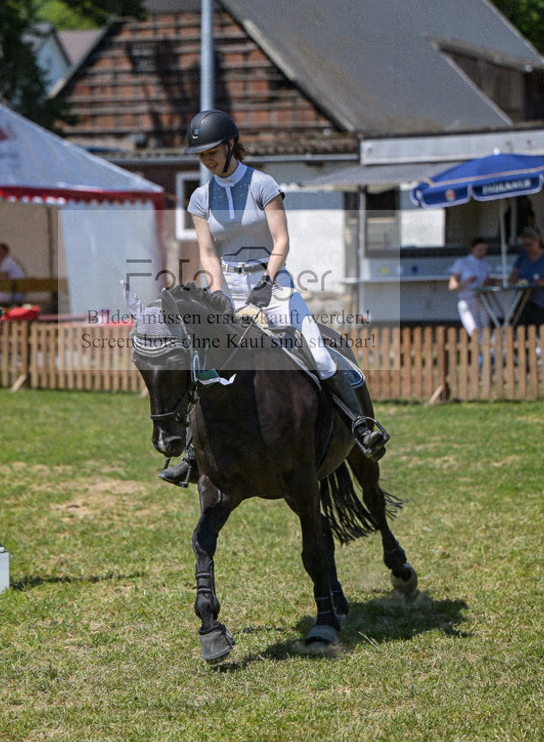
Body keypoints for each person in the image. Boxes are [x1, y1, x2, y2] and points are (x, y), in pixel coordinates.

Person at [159, 109, 388, 488]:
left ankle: (361, 426)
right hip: (227, 287)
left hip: (273, 281)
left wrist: (266, 282)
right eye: (201, 155)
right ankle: (191, 455)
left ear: (231, 145)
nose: (207, 160)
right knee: (202, 361)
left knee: (315, 348)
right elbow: (208, 252)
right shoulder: (200, 198)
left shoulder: (263, 184)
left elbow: (281, 240)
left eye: (212, 151)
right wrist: (218, 294)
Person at [508, 227, 544, 328]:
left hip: (541, 303)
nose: (527, 248)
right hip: (522, 302)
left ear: (537, 241)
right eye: (524, 246)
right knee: (522, 332)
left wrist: (541, 283)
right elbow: (513, 276)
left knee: (542, 333)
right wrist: (515, 280)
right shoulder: (522, 256)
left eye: (529, 245)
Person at [448, 237, 492, 336]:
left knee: (486, 330)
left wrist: (487, 283)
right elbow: (452, 286)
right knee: (474, 330)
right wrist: (466, 282)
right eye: (479, 250)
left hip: (481, 300)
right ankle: (480, 351)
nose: (482, 253)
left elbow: (486, 281)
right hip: (467, 300)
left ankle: (485, 351)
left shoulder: (484, 263)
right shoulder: (462, 262)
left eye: (485, 250)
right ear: (472, 249)